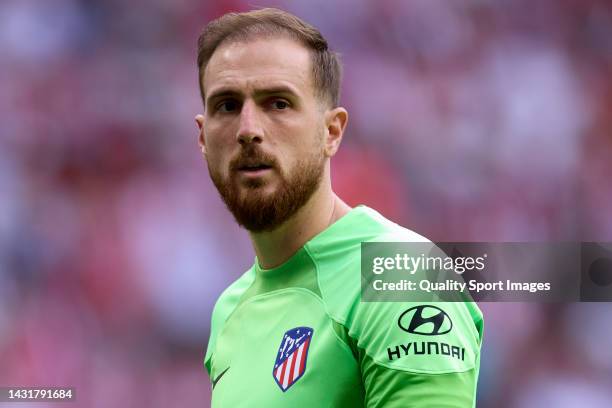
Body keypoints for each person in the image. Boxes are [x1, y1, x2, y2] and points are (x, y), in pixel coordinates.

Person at [195, 8, 483, 407]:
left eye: (278, 103)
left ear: (331, 132)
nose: (248, 129)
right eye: (226, 105)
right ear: (203, 137)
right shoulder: (229, 310)